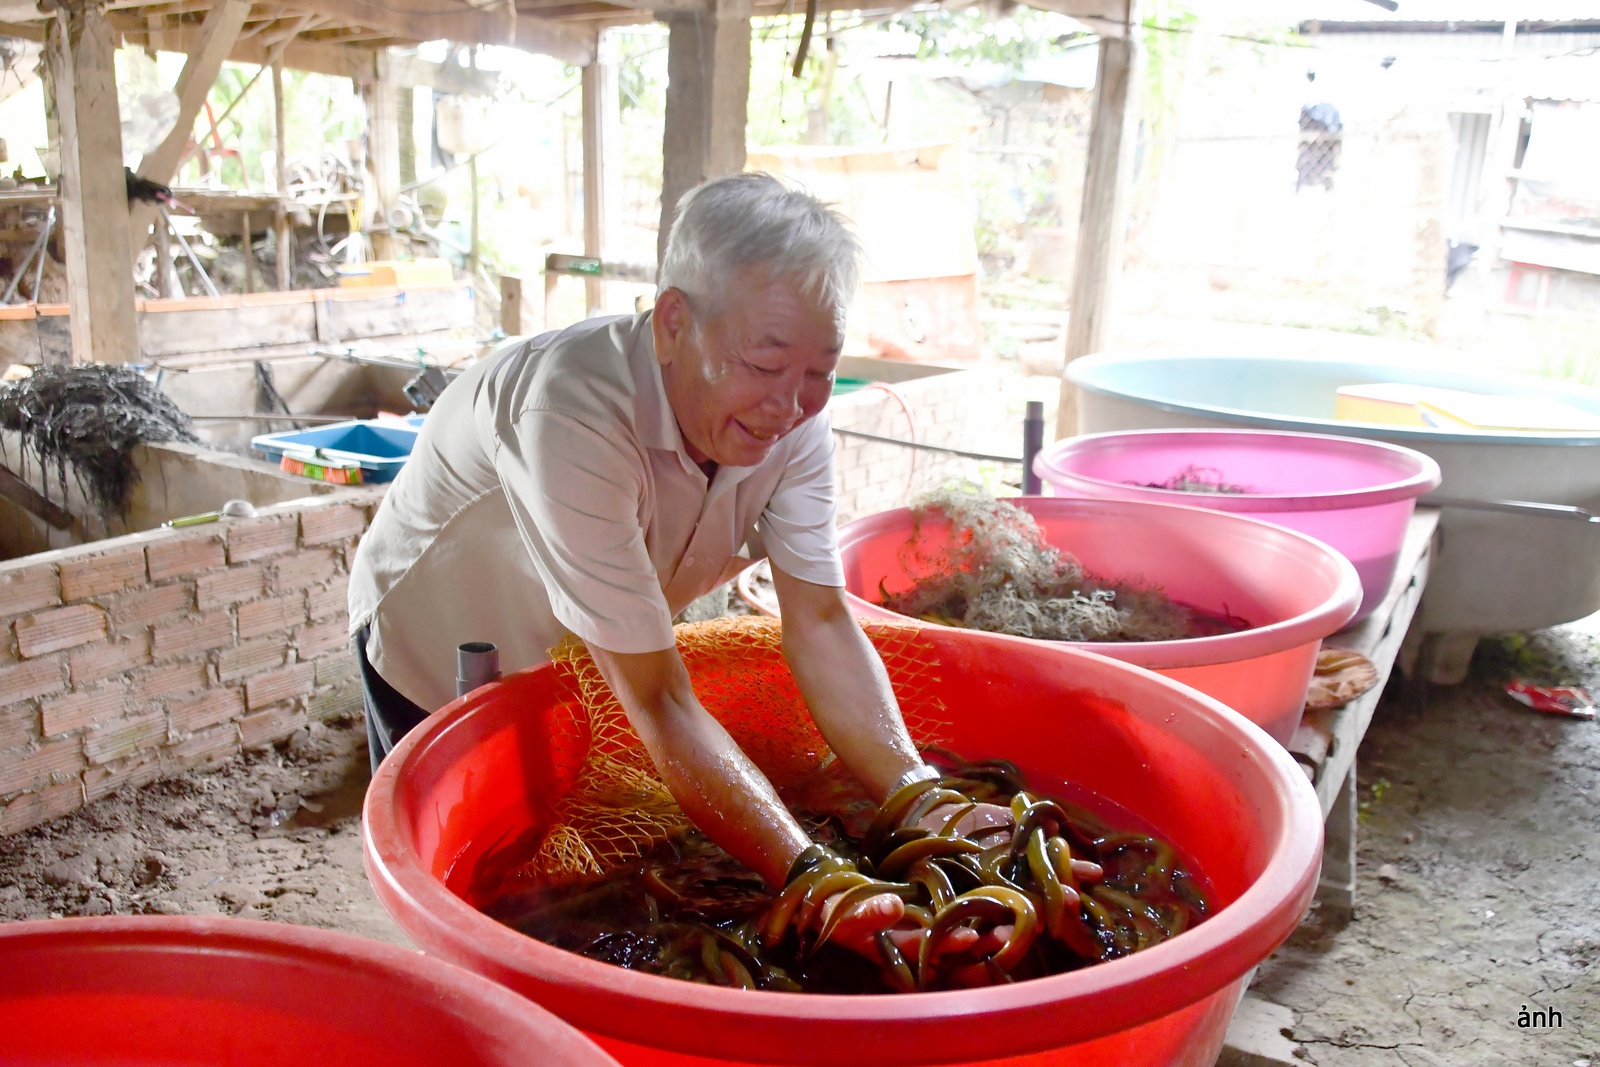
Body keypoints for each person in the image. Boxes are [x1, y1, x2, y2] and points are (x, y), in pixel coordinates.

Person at [348, 172, 1007, 955]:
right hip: (439, 636)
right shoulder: (572, 411)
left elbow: (823, 620)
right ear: (671, 324)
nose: (790, 405)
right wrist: (811, 874)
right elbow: (658, 698)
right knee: (484, 890)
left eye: (821, 371)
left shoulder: (790, 418)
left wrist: (918, 794)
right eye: (763, 367)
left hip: (587, 655)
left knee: (565, 845)